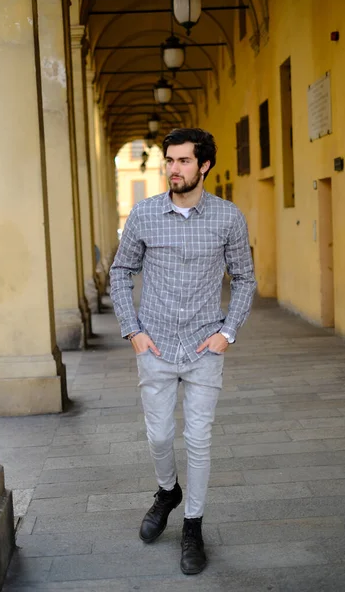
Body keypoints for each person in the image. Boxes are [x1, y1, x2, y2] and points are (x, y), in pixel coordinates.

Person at [110, 128, 256, 575]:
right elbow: (121, 271)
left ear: (204, 165)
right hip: (152, 344)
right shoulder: (144, 215)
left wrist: (227, 334)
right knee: (158, 437)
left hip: (203, 347)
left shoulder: (229, 218)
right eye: (169, 161)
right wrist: (132, 330)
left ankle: (193, 525)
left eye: (183, 161)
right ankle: (167, 492)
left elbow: (246, 278)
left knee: (198, 439)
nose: (173, 169)